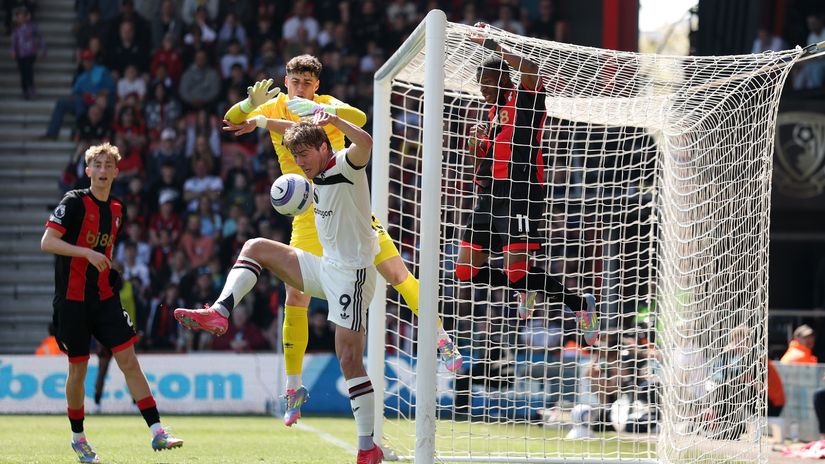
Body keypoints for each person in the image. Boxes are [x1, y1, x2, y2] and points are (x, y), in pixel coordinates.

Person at [220, 55, 463, 426]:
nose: (300, 87)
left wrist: (311, 113)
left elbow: (361, 120)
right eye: (295, 80)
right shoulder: (274, 103)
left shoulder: (327, 105)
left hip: (349, 205)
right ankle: (293, 387)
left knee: (397, 273)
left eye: (307, 82)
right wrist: (250, 106)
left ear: (316, 84)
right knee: (295, 297)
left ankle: (440, 336)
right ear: (285, 80)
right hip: (306, 212)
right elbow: (231, 121)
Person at [175, 113, 385, 463]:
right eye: (296, 155)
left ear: (323, 147)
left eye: (305, 154)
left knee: (348, 359)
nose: (300, 162)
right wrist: (259, 121)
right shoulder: (313, 174)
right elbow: (295, 132)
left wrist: (333, 118)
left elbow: (365, 144)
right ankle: (219, 312)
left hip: (354, 275)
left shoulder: (346, 165)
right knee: (255, 246)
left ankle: (367, 447)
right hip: (326, 268)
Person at [40, 142, 183, 463]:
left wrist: (108, 268)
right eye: (98, 166)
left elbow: (104, 251)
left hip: (104, 298)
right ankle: (79, 438)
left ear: (117, 172)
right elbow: (47, 242)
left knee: (129, 360)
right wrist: (87, 254)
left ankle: (158, 431)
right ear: (88, 171)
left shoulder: (117, 210)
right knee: (78, 369)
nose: (103, 171)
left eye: (109, 166)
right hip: (72, 301)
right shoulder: (74, 202)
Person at [459, 23, 598, 344]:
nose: (484, 90)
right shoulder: (491, 112)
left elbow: (533, 69)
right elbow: (477, 164)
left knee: (516, 273)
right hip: (488, 194)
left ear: (505, 79)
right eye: (481, 86)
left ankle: (579, 304)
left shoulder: (525, 98)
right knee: (467, 272)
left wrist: (492, 43)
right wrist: (475, 145)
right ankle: (529, 288)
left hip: (521, 191)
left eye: (489, 84)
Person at [10, 6, 44, 100]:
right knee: (23, 73)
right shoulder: (15, 29)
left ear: (26, 17)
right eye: (18, 17)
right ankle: (25, 90)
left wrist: (42, 48)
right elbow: (13, 41)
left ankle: (31, 88)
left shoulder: (32, 27)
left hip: (30, 53)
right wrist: (13, 51)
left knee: (29, 71)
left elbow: (40, 36)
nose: (20, 19)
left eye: (22, 17)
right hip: (20, 54)